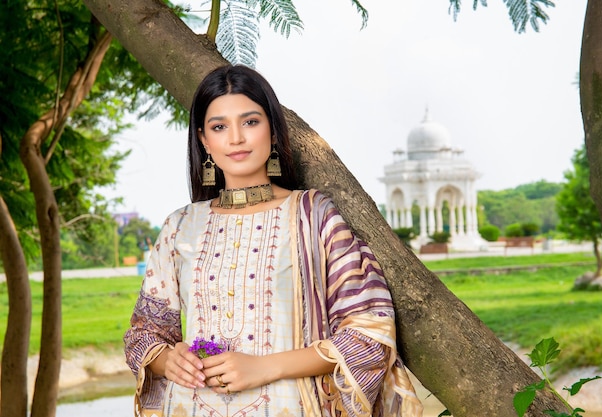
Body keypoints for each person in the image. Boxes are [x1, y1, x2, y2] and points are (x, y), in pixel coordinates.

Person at [124, 64, 423, 417]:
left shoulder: (313, 216)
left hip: (292, 406)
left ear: (273, 131)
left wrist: (265, 367)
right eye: (219, 127)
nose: (236, 138)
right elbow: (144, 335)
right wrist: (167, 361)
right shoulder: (180, 227)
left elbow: (369, 332)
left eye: (250, 122)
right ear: (204, 140)